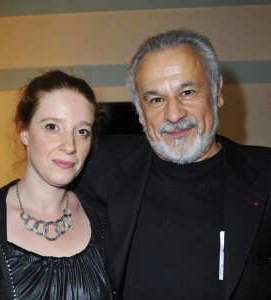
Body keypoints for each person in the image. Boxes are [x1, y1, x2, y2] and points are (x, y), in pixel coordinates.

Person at [75, 29, 271, 299]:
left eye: (187, 91)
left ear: (217, 92)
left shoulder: (267, 175)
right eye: (156, 99)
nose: (174, 114)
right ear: (140, 113)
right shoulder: (101, 162)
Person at [0, 70, 112, 299]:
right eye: (52, 127)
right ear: (24, 132)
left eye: (82, 131)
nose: (69, 145)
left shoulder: (105, 222)